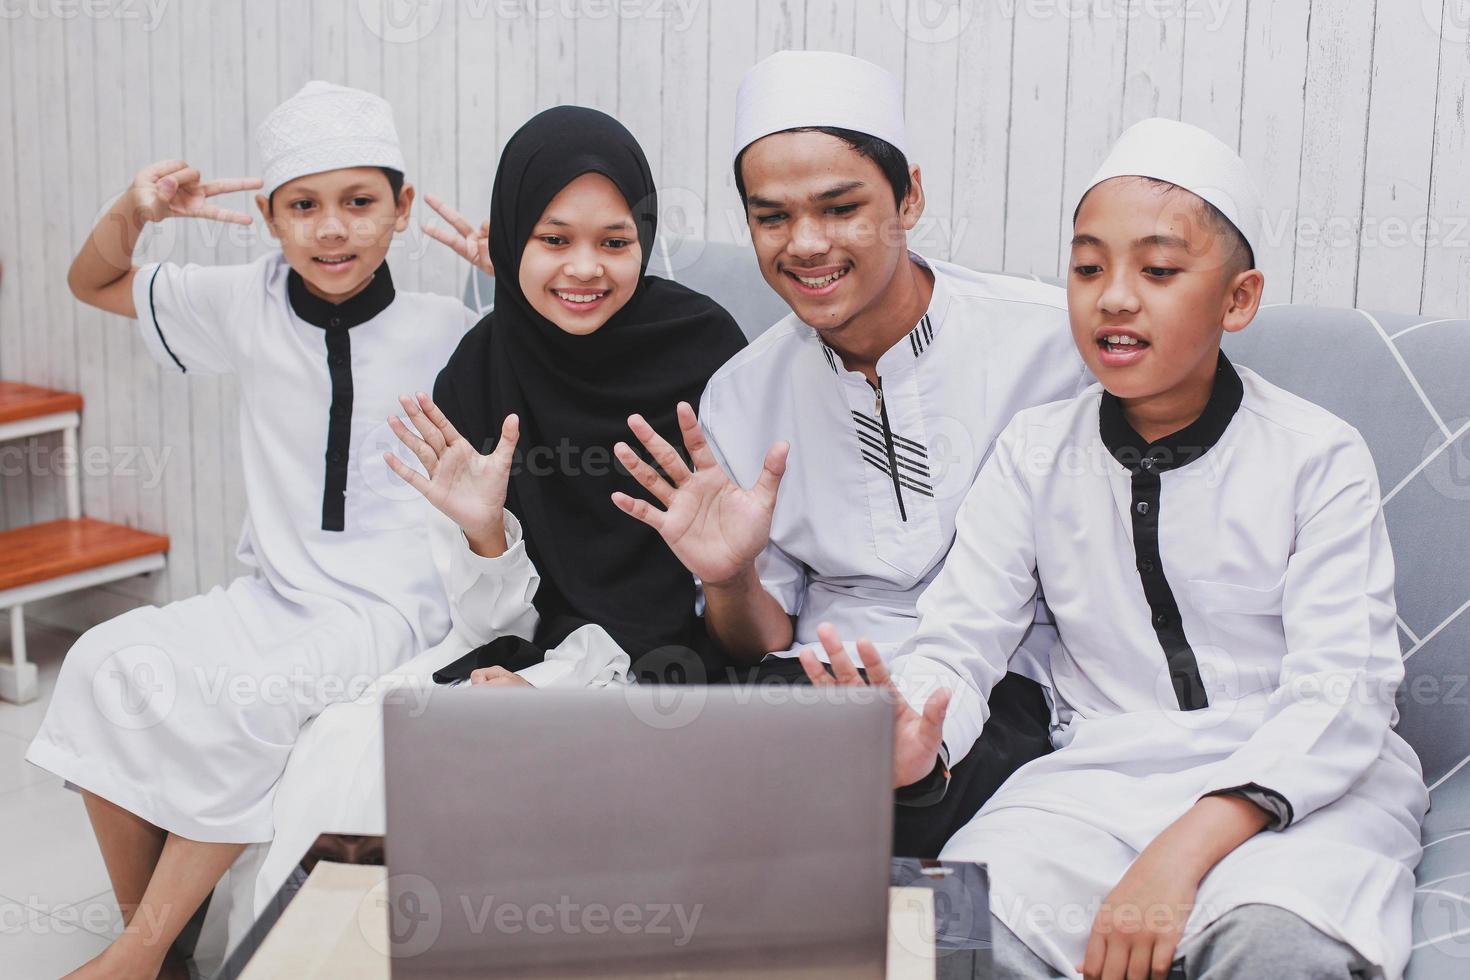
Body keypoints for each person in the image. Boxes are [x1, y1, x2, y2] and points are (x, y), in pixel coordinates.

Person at [806, 118, 1429, 979]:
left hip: (1302, 788)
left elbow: (1344, 689)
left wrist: (1184, 849)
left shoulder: (1318, 455)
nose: (1114, 297)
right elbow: (961, 638)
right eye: (1088, 266)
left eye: (1160, 270)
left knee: (1277, 949)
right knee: (915, 936)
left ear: (1238, 299)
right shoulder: (1033, 451)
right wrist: (924, 743)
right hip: (1095, 781)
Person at [26, 81, 475, 980]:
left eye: (359, 202)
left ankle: (136, 955)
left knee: (249, 698)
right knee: (102, 662)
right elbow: (93, 281)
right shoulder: (244, 300)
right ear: (270, 218)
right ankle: (162, 946)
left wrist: (521, 292)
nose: (332, 229)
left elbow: (574, 368)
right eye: (302, 206)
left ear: (403, 211)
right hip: (273, 593)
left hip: (395, 608)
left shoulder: (455, 331)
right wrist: (136, 209)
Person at [251, 105, 747, 912]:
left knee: (493, 768)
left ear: (643, 241)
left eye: (613, 242)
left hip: (672, 670)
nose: (584, 269)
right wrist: (484, 530)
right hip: (523, 647)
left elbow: (731, 607)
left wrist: (557, 703)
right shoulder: (480, 369)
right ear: (512, 236)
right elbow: (488, 623)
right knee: (344, 749)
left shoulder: (706, 348)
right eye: (553, 240)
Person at [613, 50, 1088, 857]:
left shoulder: (1050, 344)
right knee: (641, 800)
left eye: (841, 208)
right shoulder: (741, 393)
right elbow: (760, 638)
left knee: (855, 826)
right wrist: (730, 572)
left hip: (1006, 678)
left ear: (909, 196)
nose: (806, 245)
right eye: (772, 218)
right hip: (814, 681)